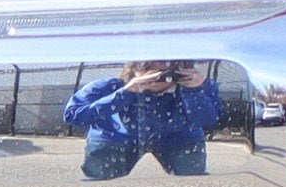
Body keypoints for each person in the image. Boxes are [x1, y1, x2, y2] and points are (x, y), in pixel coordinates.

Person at [65, 60, 226, 177]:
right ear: (133, 69)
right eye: (146, 68)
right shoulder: (110, 87)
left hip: (178, 137)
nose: (154, 80)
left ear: (179, 71)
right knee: (99, 177)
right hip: (117, 139)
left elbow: (209, 120)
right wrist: (125, 93)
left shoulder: (197, 86)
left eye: (163, 74)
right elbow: (73, 115)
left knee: (191, 176)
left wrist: (194, 91)